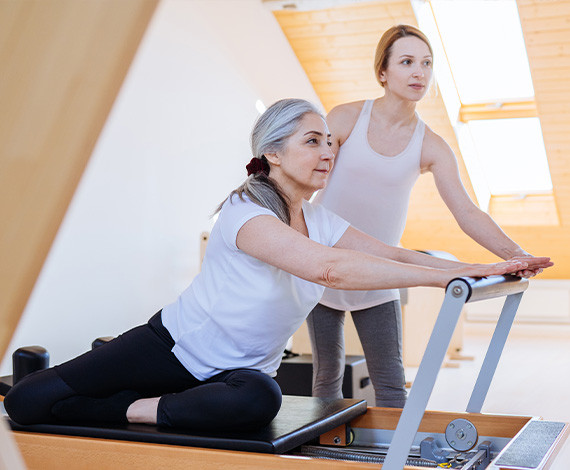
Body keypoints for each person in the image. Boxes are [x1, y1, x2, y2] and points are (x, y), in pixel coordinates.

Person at [3, 98, 547, 432]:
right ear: (274, 153)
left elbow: (394, 253)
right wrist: (442, 277)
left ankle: (131, 407)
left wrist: (481, 265)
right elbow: (330, 271)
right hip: (172, 347)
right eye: (314, 141)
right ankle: (120, 386)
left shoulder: (322, 219)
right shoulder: (245, 214)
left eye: (330, 142)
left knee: (263, 398)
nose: (328, 151)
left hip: (239, 376)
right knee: (28, 404)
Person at [307, 24, 550, 409]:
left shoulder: (431, 145)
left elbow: (467, 211)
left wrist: (515, 253)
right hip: (322, 263)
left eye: (426, 63)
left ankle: (393, 462)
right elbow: (306, 176)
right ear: (383, 72)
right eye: (407, 62)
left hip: (381, 271)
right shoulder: (346, 117)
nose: (419, 72)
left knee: (390, 385)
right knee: (326, 376)